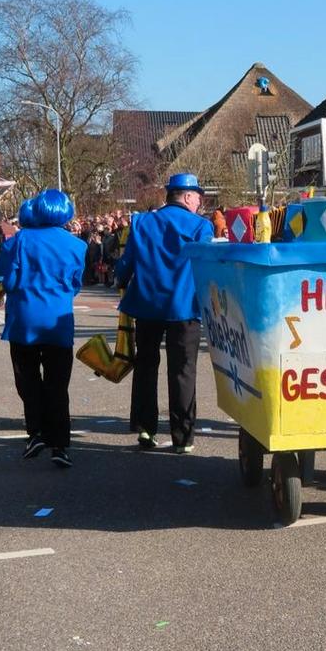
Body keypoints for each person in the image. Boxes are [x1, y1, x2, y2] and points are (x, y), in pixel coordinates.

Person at [116, 173, 214, 453]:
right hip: (184, 307)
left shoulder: (142, 222)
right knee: (183, 371)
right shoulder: (200, 227)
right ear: (186, 196)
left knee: (146, 367)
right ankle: (182, 437)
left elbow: (127, 263)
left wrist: (120, 280)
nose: (199, 202)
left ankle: (146, 430)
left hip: (147, 306)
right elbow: (206, 267)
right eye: (197, 197)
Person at [0, 190, 86, 468]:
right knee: (58, 384)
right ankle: (59, 443)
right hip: (57, 319)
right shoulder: (76, 245)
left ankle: (35, 432)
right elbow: (76, 283)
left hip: (24, 320)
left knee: (28, 380)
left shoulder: (18, 241)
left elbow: (5, 278)